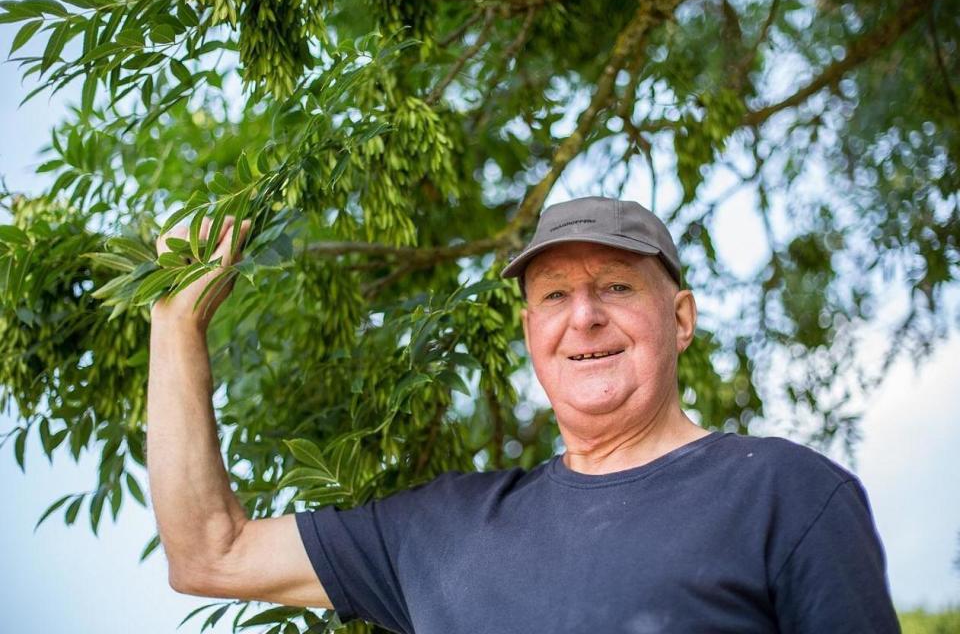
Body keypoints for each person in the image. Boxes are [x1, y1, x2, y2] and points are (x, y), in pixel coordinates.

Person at [148, 196, 900, 633]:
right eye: (552, 296)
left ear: (681, 319)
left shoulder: (787, 494)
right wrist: (174, 325)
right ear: (530, 334)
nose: (583, 318)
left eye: (615, 288)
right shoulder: (437, 531)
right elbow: (210, 554)